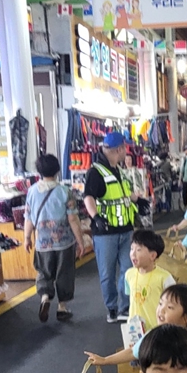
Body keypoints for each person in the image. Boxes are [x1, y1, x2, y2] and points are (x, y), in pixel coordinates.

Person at [23, 154, 86, 323]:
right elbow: (73, 219)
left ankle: (45, 297)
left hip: (42, 242)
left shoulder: (32, 191)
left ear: (39, 171)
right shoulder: (65, 192)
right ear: (58, 170)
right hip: (64, 242)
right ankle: (62, 307)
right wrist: (80, 242)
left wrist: (27, 238)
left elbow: (28, 217)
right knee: (64, 273)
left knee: (43, 271)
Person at [83, 132, 138, 323]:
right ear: (119, 149)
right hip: (105, 232)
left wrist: (137, 201)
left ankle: (125, 307)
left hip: (125, 229)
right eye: (125, 148)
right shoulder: (96, 172)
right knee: (107, 273)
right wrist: (95, 217)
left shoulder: (118, 170)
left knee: (128, 269)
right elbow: (88, 196)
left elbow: (122, 196)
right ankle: (112, 308)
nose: (126, 152)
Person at [124, 230, 175, 331]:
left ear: (152, 256)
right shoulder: (129, 274)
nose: (133, 254)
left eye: (138, 250)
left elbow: (173, 305)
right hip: (134, 329)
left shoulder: (164, 278)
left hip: (157, 329)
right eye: (131, 248)